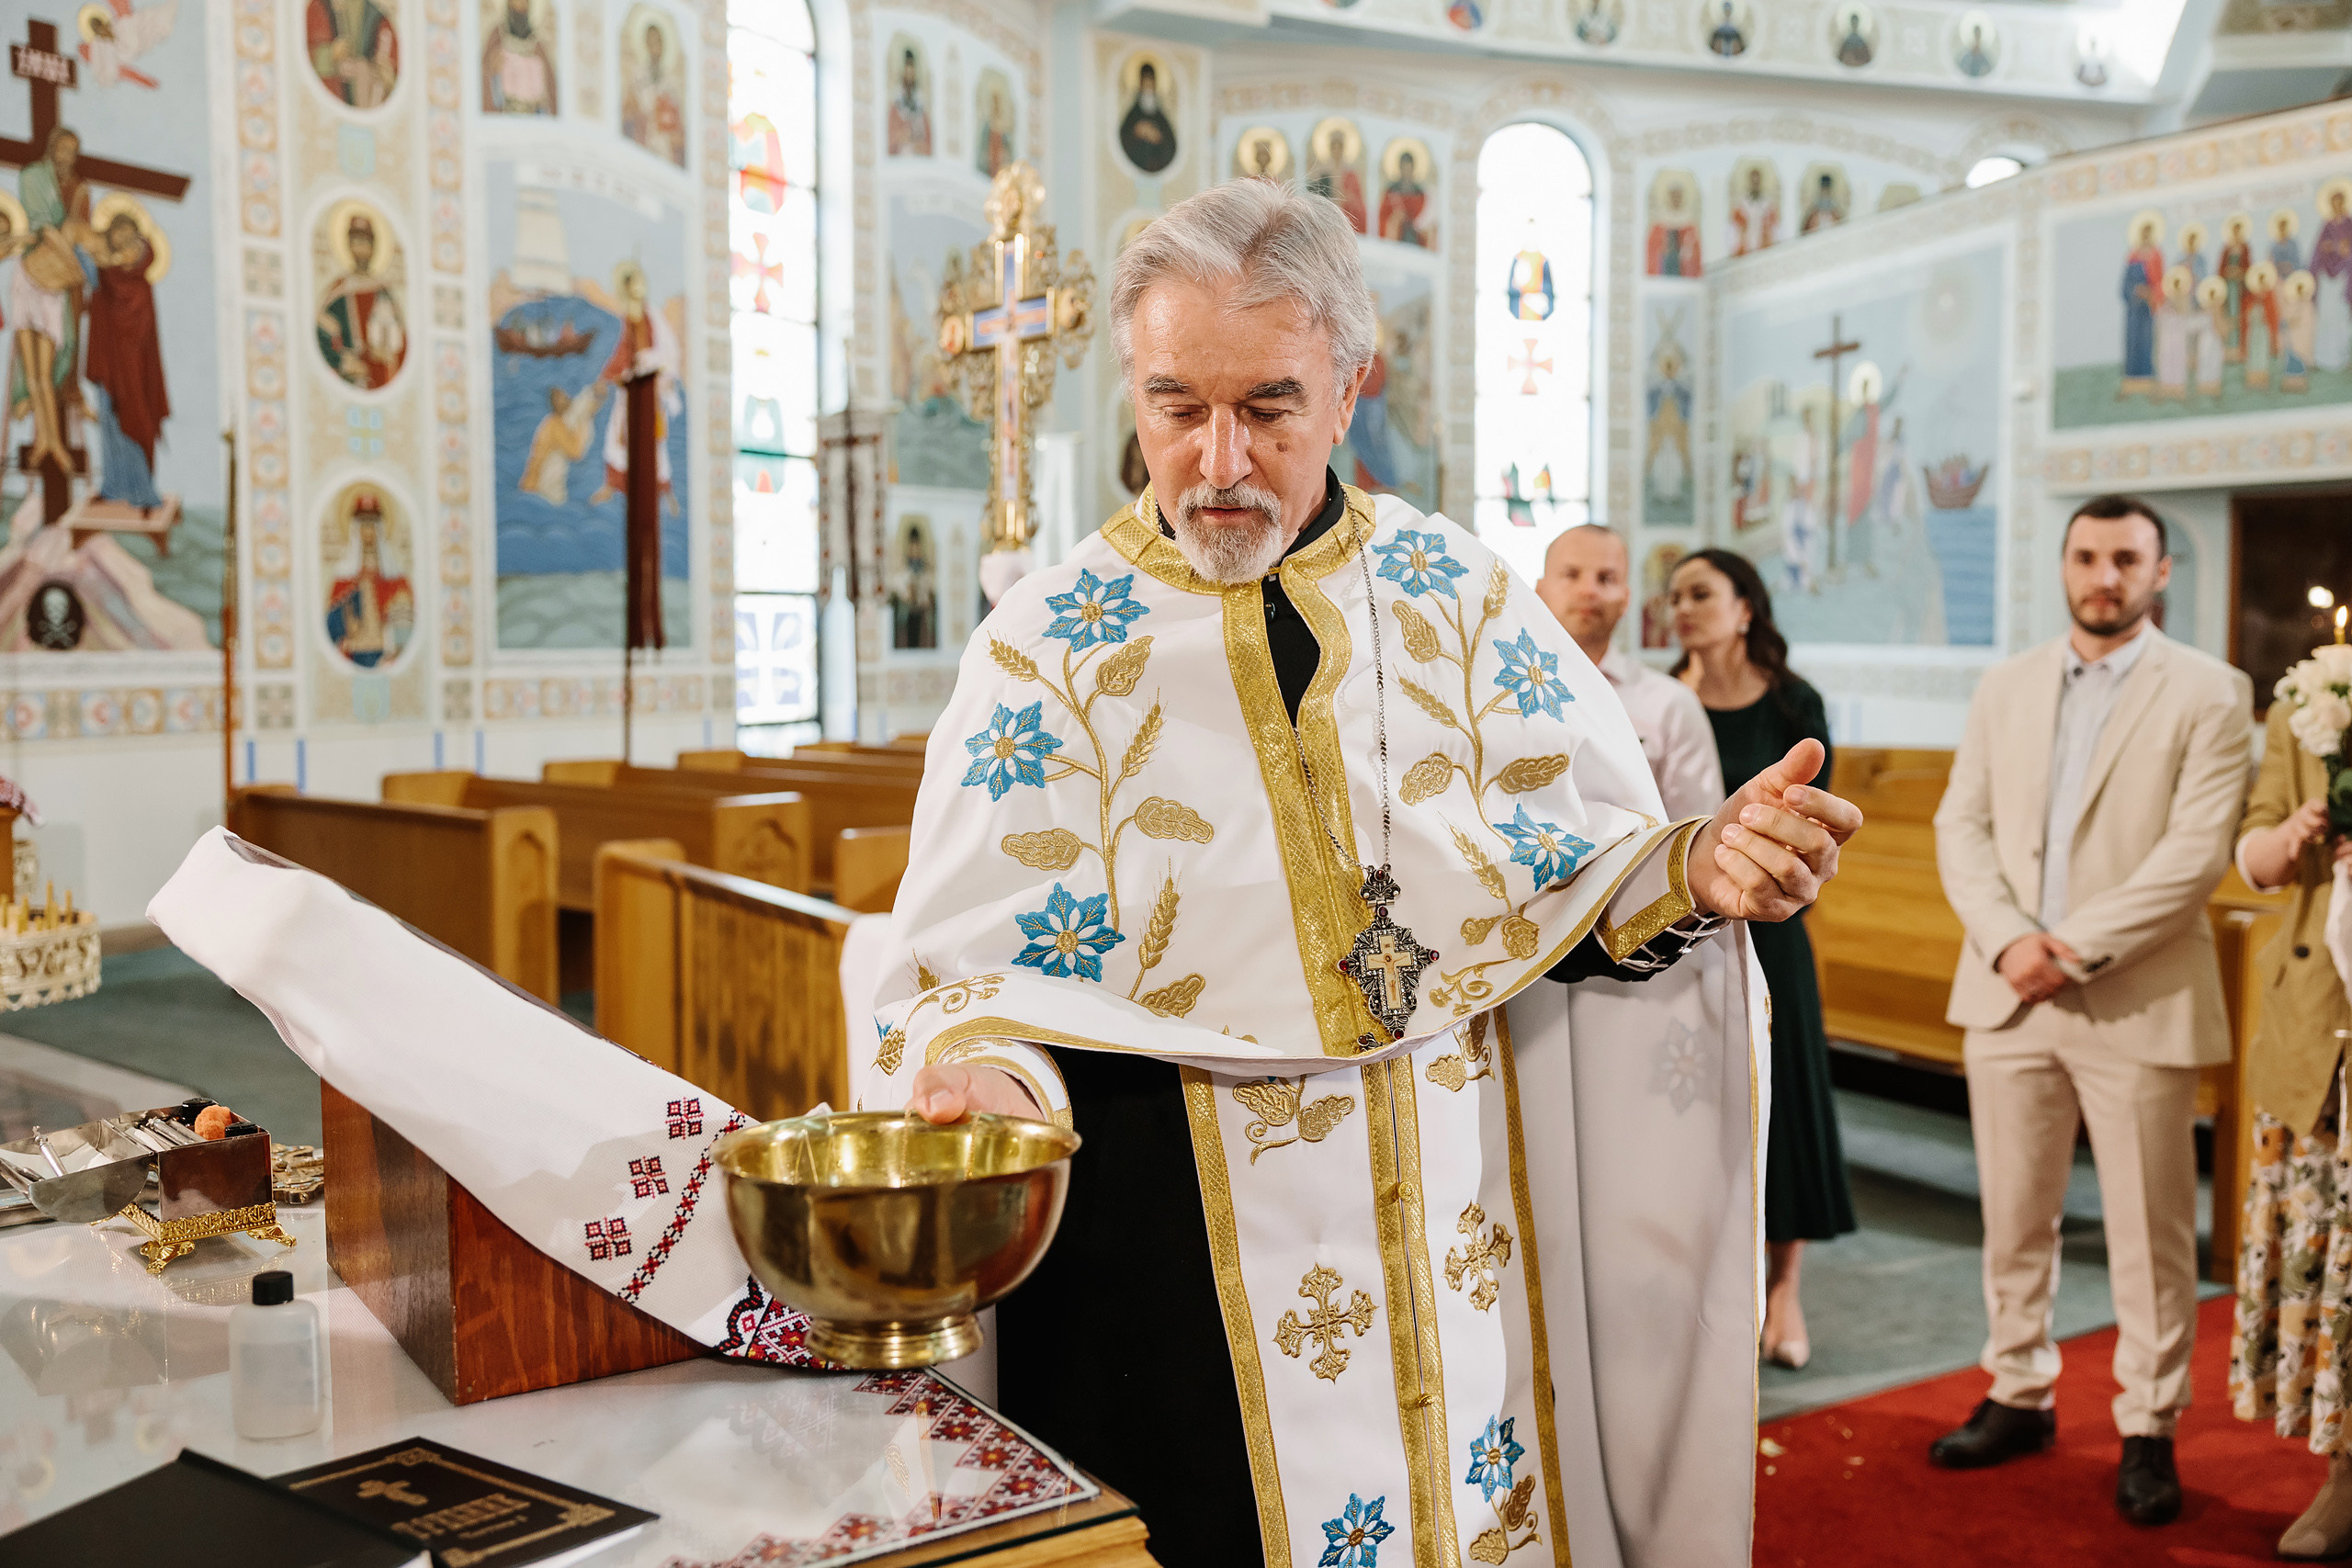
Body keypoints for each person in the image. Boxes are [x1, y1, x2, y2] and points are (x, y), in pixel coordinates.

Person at [876, 178, 1863, 1568]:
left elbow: (1574, 880)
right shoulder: (1043, 646)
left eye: (1269, 406)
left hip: (1446, 1229)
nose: (1217, 459)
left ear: (1351, 388)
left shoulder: (1457, 599)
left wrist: (1700, 863)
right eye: (1175, 406)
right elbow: (962, 967)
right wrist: (983, 1077)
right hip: (1170, 1259)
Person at [1929, 494, 2253, 1527]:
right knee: (2014, 1215)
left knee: (2147, 1231)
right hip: (2006, 987)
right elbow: (1961, 826)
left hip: (2133, 995)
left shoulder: (2210, 691)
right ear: (2062, 565)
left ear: (2160, 572)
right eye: (2085, 556)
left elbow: (2195, 854)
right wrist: (2009, 942)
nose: (2101, 576)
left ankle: (2148, 1424)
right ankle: (2018, 1389)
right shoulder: (2006, 684)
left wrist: (2067, 951)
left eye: (2124, 558)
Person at [1669, 547, 1854, 1367]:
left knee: (1789, 1104)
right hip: (1681, 931)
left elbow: (1813, 818)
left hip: (1773, 927)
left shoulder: (1792, 702)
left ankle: (1786, 1293)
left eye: (1701, 593)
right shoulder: (1657, 699)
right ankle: (1710, 1281)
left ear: (1746, 606)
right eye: (1674, 596)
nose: (1683, 608)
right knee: (1702, 1106)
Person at [2233, 644, 2352, 1562]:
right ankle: (2343, 1476)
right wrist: (2298, 833)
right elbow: (2255, 856)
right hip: (2323, 1017)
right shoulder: (2310, 702)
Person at [1539, 525, 1722, 820]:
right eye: (1571, 574)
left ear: (1625, 599)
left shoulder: (1671, 704)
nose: (1588, 590)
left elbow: (1696, 834)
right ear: (1539, 591)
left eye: (1606, 578)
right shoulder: (1495, 695)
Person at [84, 209, 169, 512]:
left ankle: (144, 492)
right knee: (108, 425)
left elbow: (141, 334)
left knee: (135, 421)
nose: (127, 249)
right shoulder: (105, 276)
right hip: (110, 367)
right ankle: (112, 486)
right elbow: (83, 257)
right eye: (119, 241)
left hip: (135, 372)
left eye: (131, 242)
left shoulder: (140, 286)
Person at [315, 212, 405, 390]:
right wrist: (342, 360)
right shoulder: (339, 290)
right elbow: (323, 333)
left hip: (381, 376)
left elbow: (402, 339)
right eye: (357, 242)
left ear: (374, 247)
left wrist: (389, 352)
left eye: (366, 243)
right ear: (349, 245)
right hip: (351, 377)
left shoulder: (384, 292)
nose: (361, 249)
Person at [481, 0, 556, 115]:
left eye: (524, 3)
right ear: (508, 5)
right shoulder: (498, 36)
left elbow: (550, 85)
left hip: (532, 115)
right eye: (515, 3)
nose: (520, 6)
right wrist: (494, 67)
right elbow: (485, 71)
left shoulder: (537, 44)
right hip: (504, 112)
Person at [1118, 62, 1175, 175]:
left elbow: (1170, 145)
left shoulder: (1161, 116)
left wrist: (1157, 137)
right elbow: (1124, 137)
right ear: (1140, 84)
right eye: (1145, 84)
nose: (1148, 88)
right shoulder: (1133, 114)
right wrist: (1137, 131)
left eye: (1151, 84)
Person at [887, 46, 931, 155]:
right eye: (907, 72)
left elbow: (928, 144)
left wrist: (918, 145)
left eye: (912, 72)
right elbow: (890, 139)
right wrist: (903, 136)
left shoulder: (921, 107)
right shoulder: (895, 106)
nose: (909, 75)